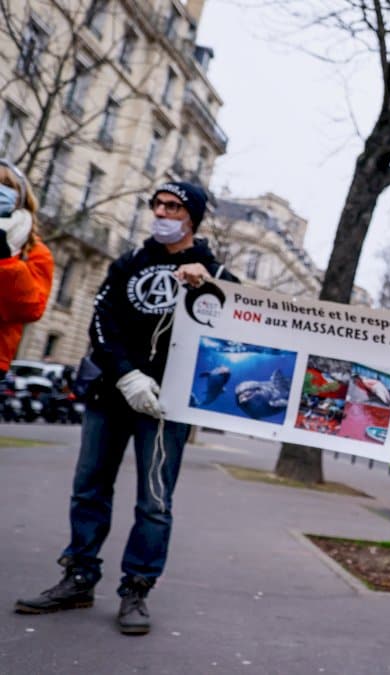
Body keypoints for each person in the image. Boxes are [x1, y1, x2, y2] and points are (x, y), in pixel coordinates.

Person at [14, 181, 238, 635]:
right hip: (111, 395)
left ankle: (137, 588)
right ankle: (78, 576)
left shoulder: (214, 269)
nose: (162, 212)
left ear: (192, 217)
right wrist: (125, 374)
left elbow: (235, 323)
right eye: (157, 204)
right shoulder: (129, 263)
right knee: (89, 488)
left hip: (166, 407)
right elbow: (101, 323)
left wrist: (210, 285)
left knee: (154, 502)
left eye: (173, 206)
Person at [0, 159, 54, 378]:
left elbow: (31, 309)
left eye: (7, 186)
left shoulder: (35, 251)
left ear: (21, 199)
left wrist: (6, 262)